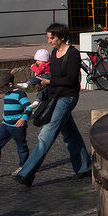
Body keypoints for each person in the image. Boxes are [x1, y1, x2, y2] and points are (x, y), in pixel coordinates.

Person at [14, 23, 92, 187]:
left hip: (67, 98)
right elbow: (54, 74)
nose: (49, 41)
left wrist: (49, 81)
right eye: (48, 38)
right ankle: (84, 167)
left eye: (52, 38)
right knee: (70, 134)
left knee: (46, 134)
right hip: (54, 96)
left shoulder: (72, 54)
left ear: (61, 37)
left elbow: (71, 79)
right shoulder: (54, 52)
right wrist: (41, 81)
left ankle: (26, 173)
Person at [0, 71, 30, 177]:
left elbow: (29, 107)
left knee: (21, 147)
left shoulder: (20, 94)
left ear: (10, 85)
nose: (1, 90)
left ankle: (24, 167)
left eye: (2, 87)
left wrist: (23, 119)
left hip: (17, 126)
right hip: (5, 125)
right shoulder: (7, 94)